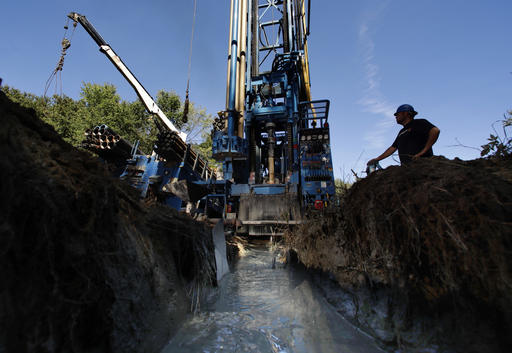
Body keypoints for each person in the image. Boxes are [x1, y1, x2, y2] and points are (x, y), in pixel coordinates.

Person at [367, 104, 440, 165]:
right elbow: (392, 148)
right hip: (406, 168)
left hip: (422, 163)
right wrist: (377, 159)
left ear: (406, 113)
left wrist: (423, 151)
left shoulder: (420, 122)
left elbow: (435, 131)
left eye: (397, 114)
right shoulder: (401, 132)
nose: (396, 117)